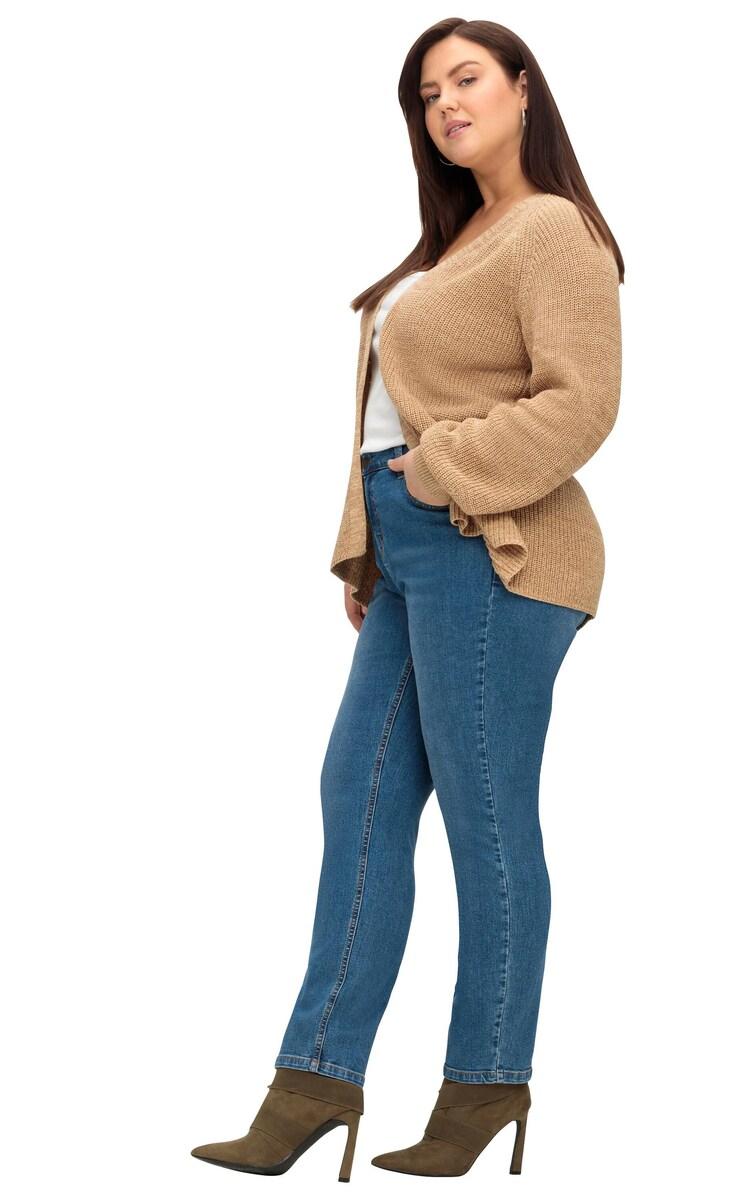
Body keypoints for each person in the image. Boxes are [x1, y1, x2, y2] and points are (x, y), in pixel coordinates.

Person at [191, 17, 623, 1182]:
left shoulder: (552, 230)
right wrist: (370, 550)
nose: (445, 104)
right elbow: (389, 416)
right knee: (360, 794)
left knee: (486, 817)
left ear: (523, 89)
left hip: (498, 548)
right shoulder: (458, 237)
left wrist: (440, 475)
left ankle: (485, 1084)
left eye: (466, 78)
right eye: (428, 93)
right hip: (414, 551)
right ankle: (313, 1084)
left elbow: (582, 402)